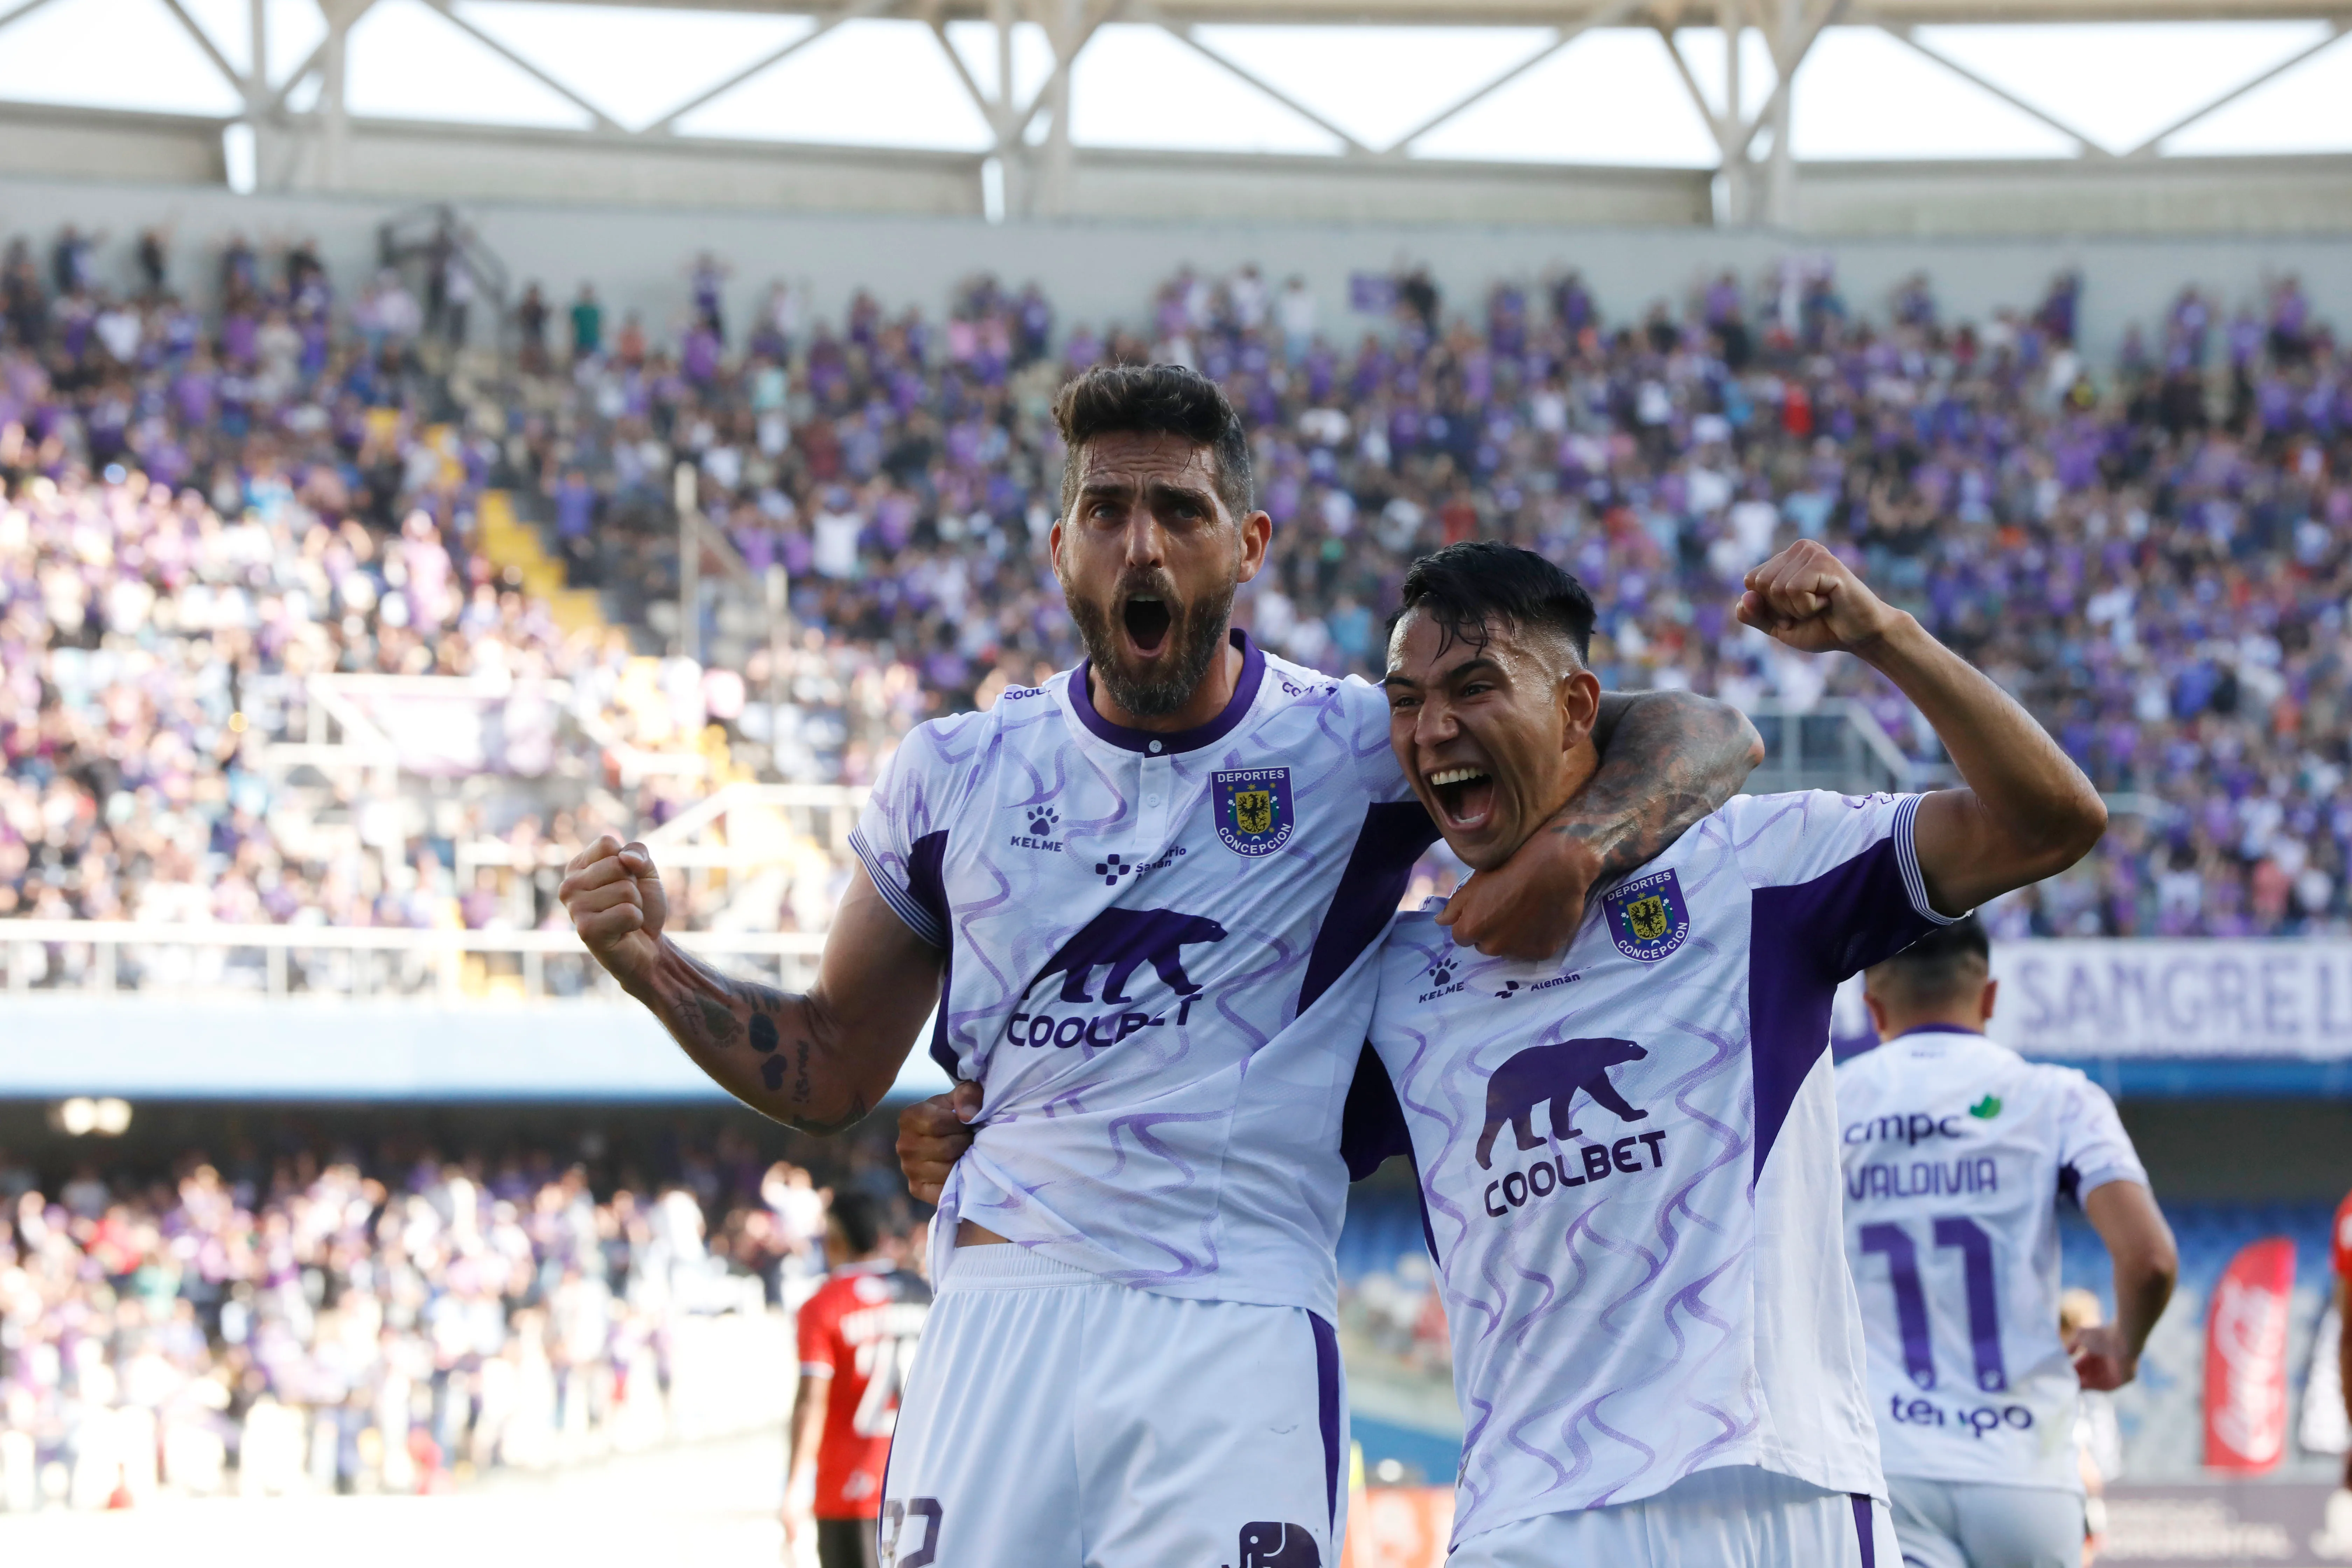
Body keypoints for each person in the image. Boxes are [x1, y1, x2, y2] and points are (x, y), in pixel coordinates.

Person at [563, 363, 1760, 1568]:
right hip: (1002, 1310)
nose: (1143, 546)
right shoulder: (951, 775)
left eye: (1181, 513)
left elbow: (1705, 731)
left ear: (1246, 546)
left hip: (1236, 1320)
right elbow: (826, 1069)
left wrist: (1580, 851)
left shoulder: (1353, 745)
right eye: (1107, 511)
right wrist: (651, 965)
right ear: (1059, 548)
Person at [1837, 918, 2176, 1568]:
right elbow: (2151, 1259)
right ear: (1989, 997)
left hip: (1884, 1464)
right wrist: (2125, 1344)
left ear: (1872, 1006)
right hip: (2026, 1466)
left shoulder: (1825, 1102)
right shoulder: (2059, 1098)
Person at [784, 1191, 931, 1568]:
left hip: (850, 1490)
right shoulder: (925, 1293)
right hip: (923, 1483)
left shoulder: (823, 1304)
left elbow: (811, 1401)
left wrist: (795, 1484)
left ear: (835, 1239)